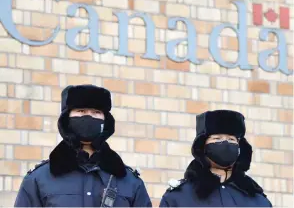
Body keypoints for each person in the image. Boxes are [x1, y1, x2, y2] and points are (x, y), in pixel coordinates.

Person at [15, 84, 152, 207]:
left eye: (96, 112)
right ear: (67, 118)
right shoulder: (39, 179)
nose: (88, 117)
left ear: (106, 121)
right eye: (81, 111)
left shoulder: (130, 182)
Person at [160, 109, 272, 207]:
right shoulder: (179, 197)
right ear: (202, 146)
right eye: (217, 138)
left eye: (231, 139)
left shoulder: (258, 201)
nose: (225, 144)